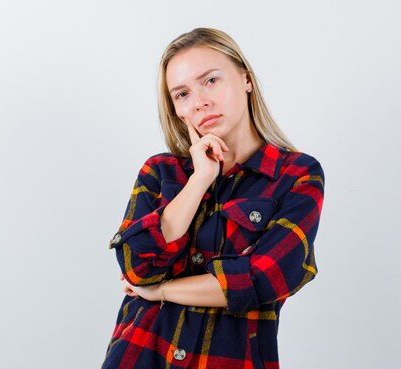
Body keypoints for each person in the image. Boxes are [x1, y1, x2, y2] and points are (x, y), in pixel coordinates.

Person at [101, 27, 325, 369]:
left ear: (246, 79)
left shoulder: (296, 175)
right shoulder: (160, 173)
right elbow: (136, 267)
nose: (200, 101)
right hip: (139, 357)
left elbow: (265, 278)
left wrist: (161, 291)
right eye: (182, 94)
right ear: (177, 111)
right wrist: (200, 178)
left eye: (211, 81)